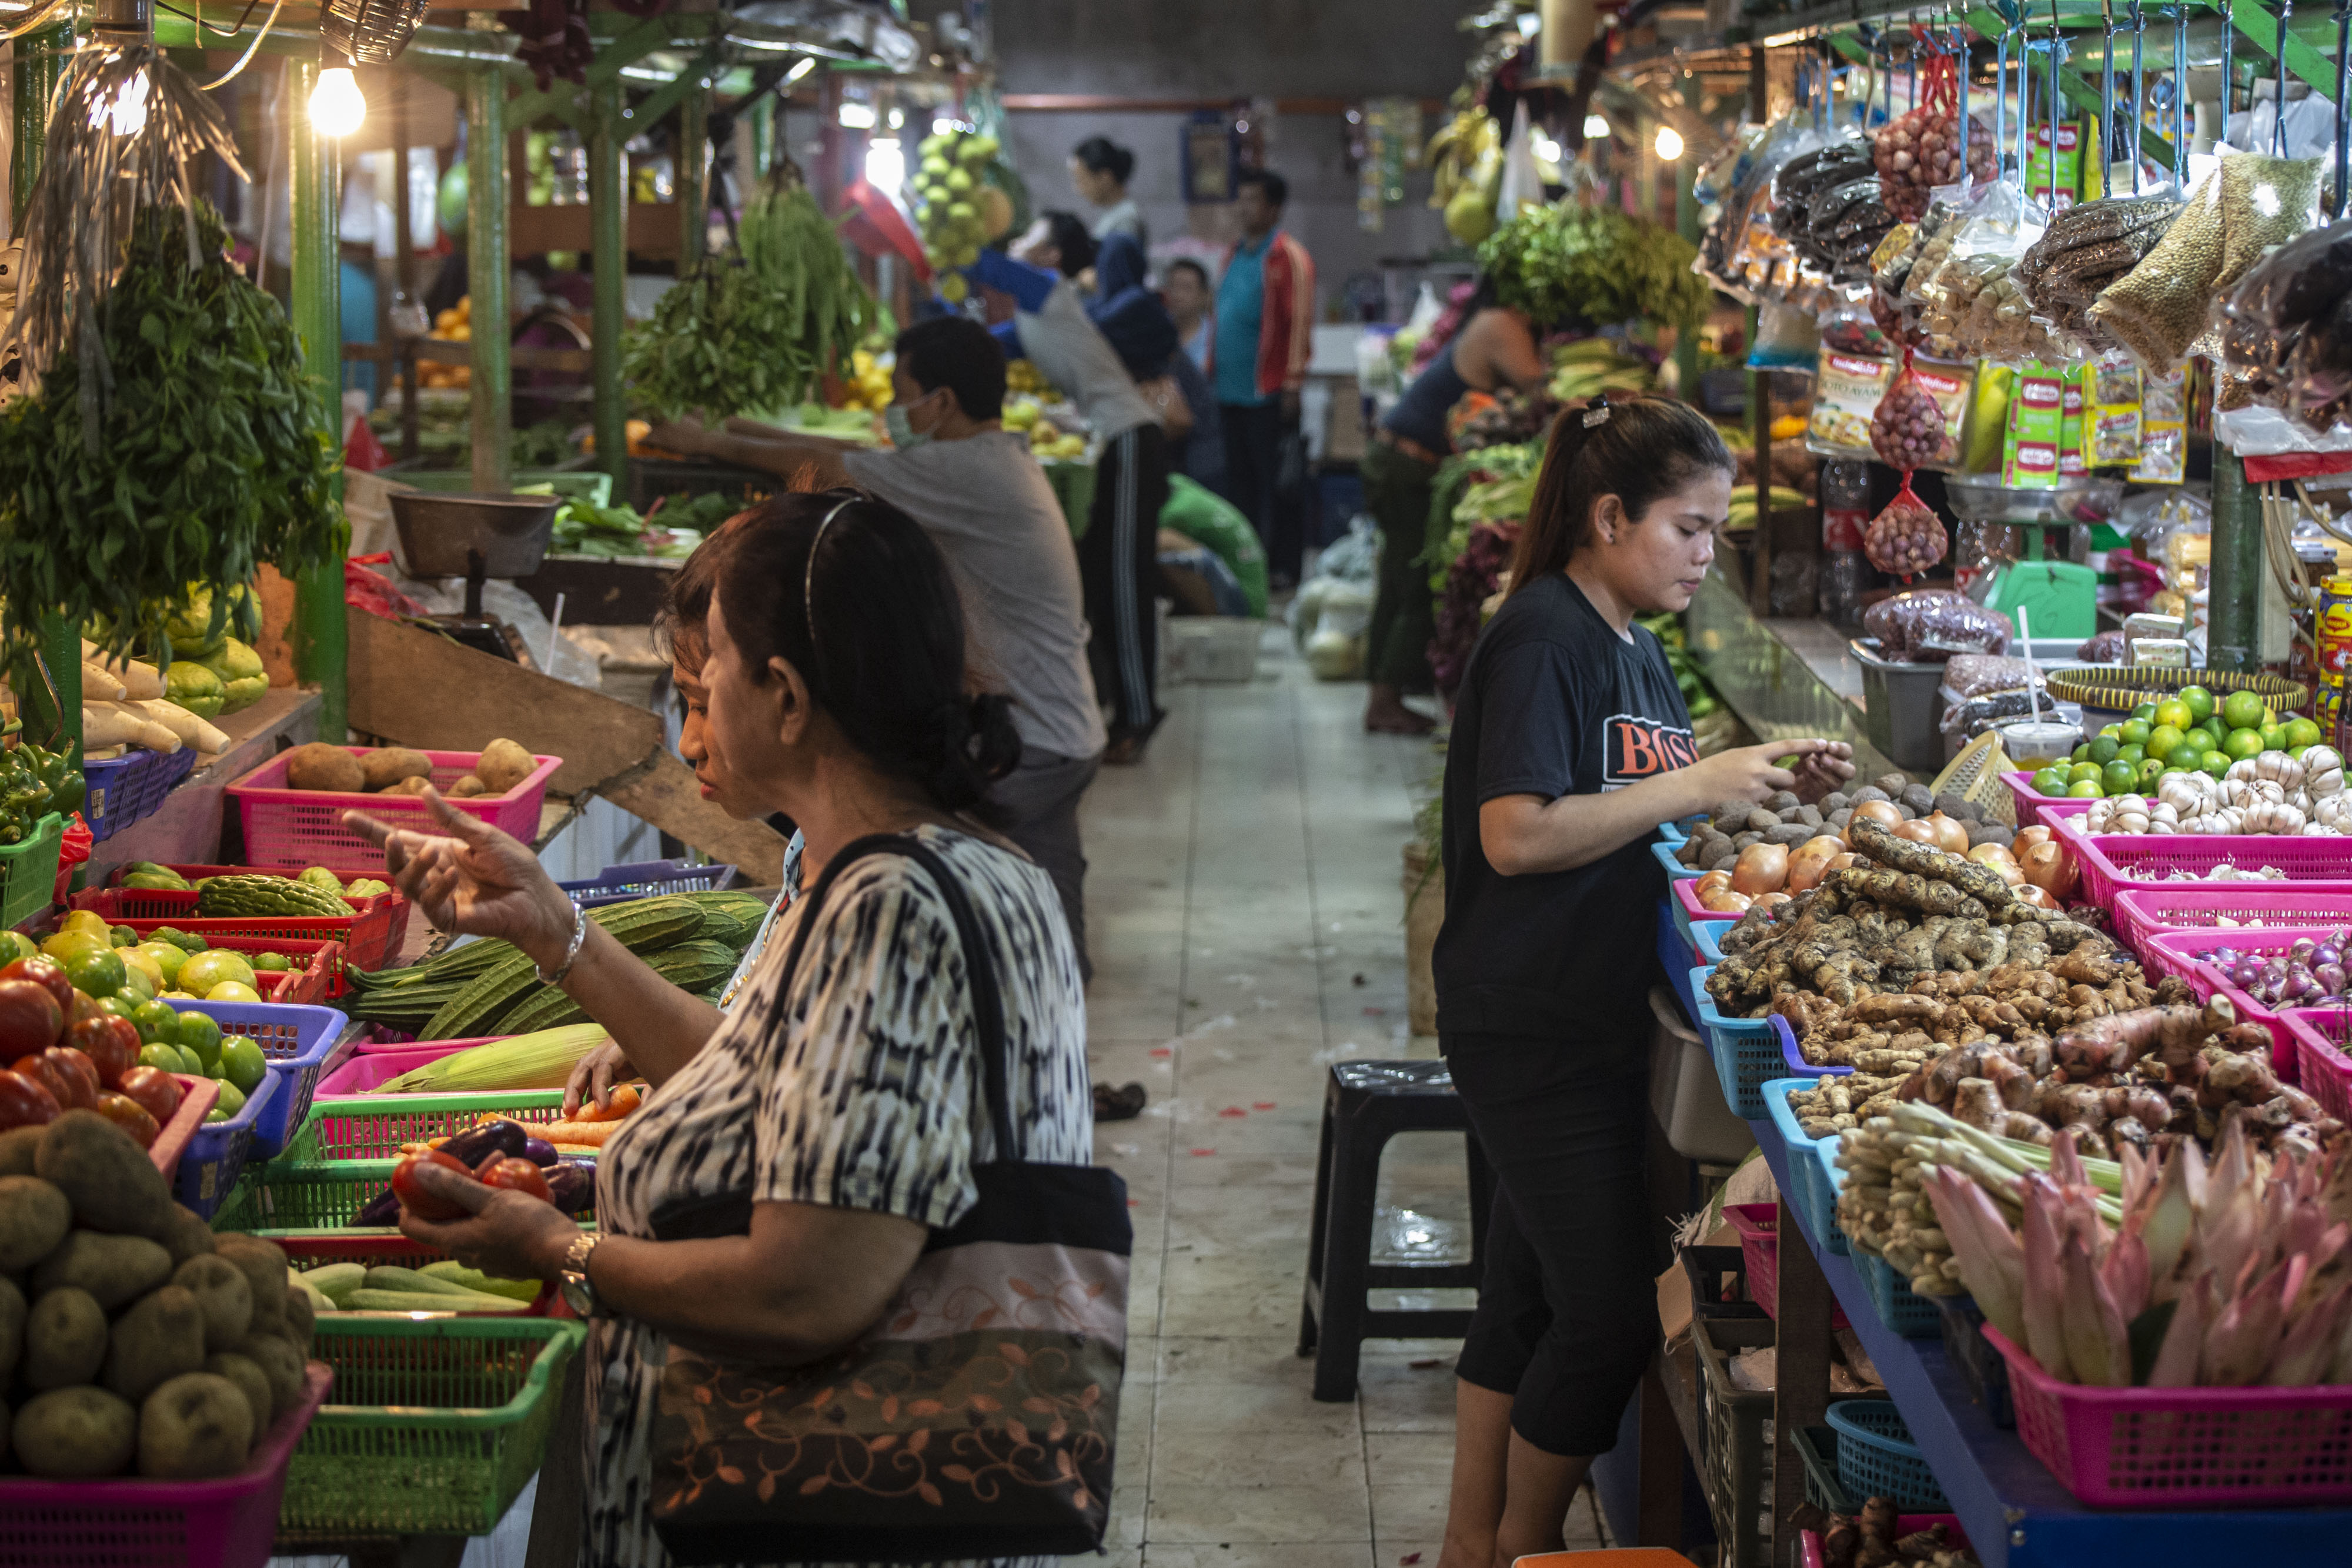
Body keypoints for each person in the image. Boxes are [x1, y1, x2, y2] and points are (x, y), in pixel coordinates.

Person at [342, 491, 1097, 1568]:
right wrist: (559, 933)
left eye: (705, 689)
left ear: (784, 695)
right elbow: (773, 1093)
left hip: (826, 1505)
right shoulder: (940, 870)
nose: (687, 727)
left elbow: (808, 1287)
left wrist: (562, 1247)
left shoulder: (892, 910)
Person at [1430, 396, 1854, 1568]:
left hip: (1582, 1010)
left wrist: (1759, 792)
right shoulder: (1542, 638)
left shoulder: (1625, 638)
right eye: (1688, 527)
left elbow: (1637, 806)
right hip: (1527, 1019)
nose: (1707, 553)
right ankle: (1531, 1544)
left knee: (1525, 1294)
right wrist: (1693, 781)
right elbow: (1516, 834)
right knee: (1609, 1306)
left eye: (1715, 529)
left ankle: (1474, 1541)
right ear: (1607, 515)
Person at [642, 320, 1109, 980]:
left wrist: (713, 439)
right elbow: (841, 449)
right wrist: (735, 427)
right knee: (1040, 929)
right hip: (1062, 718)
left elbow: (838, 466)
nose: (693, 743)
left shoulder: (969, 469)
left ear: (789, 694)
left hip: (1033, 730)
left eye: (902, 392)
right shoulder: (997, 458)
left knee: (1005, 928)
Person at [971, 219, 1171, 763]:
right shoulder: (1033, 319)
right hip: (1108, 447)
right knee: (1102, 579)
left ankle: (1139, 713)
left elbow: (984, 264)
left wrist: (940, 242)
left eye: (1026, 236)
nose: (1013, 245)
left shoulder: (1048, 292)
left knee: (1125, 582)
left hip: (1128, 438)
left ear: (1050, 254)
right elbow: (978, 347)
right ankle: (1118, 704)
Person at [1363, 279, 1553, 735]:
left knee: (1395, 580)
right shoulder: (1500, 323)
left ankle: (1382, 694)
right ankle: (1385, 699)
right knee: (1410, 582)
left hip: (1394, 459)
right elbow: (1540, 387)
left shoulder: (1489, 321)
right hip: (1406, 465)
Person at [1210, 168, 1315, 589]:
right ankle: (1244, 563)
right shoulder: (1233, 253)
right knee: (1240, 485)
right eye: (1242, 198)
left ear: (1273, 208)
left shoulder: (1288, 257)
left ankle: (1283, 567)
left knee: (1279, 486)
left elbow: (1299, 319)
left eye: (1254, 200)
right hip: (1229, 390)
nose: (1244, 207)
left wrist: (1292, 381)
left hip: (1267, 392)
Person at [1070, 133, 1145, 249]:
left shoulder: (1126, 219)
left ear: (1105, 178)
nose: (1078, 190)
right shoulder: (1114, 214)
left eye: (1081, 181)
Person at [1164, 258, 1213, 370]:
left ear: (1204, 295)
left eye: (1187, 288)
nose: (1178, 295)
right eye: (1173, 286)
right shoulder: (1157, 332)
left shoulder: (1214, 338)